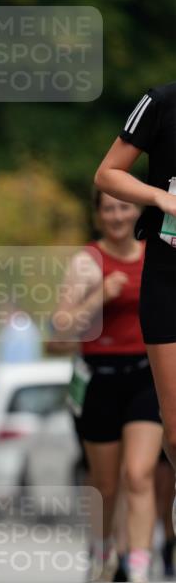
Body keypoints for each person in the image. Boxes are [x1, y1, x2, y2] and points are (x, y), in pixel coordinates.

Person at [53, 190, 164, 583]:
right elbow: (60, 326)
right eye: (109, 208)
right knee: (105, 481)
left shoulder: (157, 253)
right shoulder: (88, 261)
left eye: (125, 207)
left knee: (139, 473)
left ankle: (137, 561)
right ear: (99, 214)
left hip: (145, 376)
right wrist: (100, 295)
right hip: (98, 377)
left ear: (138, 211)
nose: (117, 215)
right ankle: (101, 548)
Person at [94, 84, 176, 537]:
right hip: (168, 276)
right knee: (175, 429)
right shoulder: (161, 103)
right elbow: (107, 174)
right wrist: (161, 198)